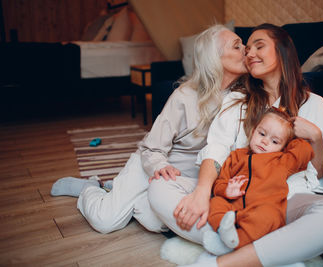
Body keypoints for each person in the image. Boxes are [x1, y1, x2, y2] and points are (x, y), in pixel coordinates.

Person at [149, 23, 323, 267]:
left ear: (283, 51)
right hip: (233, 201)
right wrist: (202, 193)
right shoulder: (238, 101)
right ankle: (277, 251)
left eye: (259, 46)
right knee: (160, 189)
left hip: (283, 203)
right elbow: (217, 148)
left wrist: (317, 140)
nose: (250, 54)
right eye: (247, 50)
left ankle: (222, 261)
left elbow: (320, 178)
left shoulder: (315, 104)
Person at [50, 24, 248, 235]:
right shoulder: (185, 97)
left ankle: (116, 190)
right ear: (215, 59)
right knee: (105, 221)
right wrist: (159, 167)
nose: (246, 49)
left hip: (186, 181)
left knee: (158, 223)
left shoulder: (243, 98)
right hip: (154, 165)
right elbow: (152, 148)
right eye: (237, 46)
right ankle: (91, 188)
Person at [204, 107, 314, 255]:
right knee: (215, 202)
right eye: (262, 133)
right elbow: (219, 182)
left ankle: (234, 243)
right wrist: (226, 190)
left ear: (283, 147)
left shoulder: (282, 161)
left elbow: (305, 150)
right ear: (253, 131)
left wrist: (294, 132)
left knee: (270, 216)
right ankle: (223, 230)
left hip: (260, 209)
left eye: (275, 141)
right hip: (232, 206)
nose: (265, 141)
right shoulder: (236, 156)